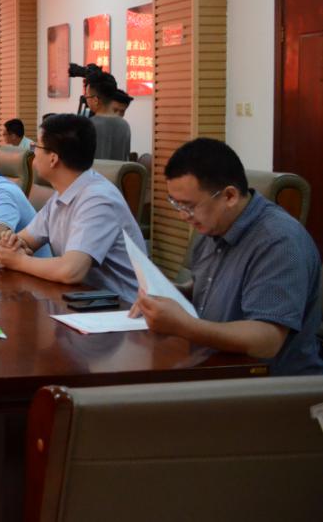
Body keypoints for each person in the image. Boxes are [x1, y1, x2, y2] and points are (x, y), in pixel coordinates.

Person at [131, 138, 321, 376]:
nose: (183, 215)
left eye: (189, 206)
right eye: (176, 204)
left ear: (229, 196)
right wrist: (174, 292)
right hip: (213, 364)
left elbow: (267, 340)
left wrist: (184, 325)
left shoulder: (278, 241)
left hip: (268, 384)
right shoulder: (213, 225)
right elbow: (211, 285)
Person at [0, 114, 142, 302]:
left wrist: (19, 261)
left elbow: (71, 271)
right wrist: (10, 244)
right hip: (83, 300)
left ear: (53, 158)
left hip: (122, 309)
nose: (33, 152)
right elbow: (24, 240)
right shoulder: (62, 194)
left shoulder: (98, 200)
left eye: (37, 146)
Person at [84, 73, 131, 161]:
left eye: (87, 96)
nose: (86, 100)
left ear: (95, 100)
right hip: (118, 171)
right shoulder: (125, 125)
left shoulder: (87, 125)